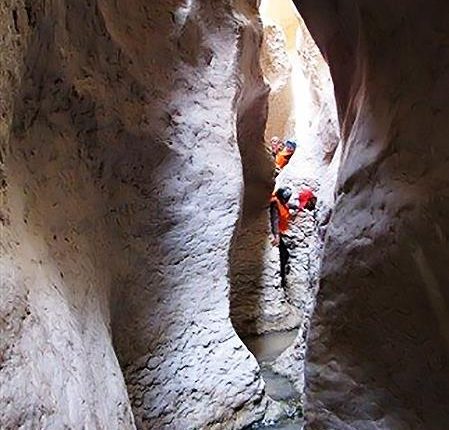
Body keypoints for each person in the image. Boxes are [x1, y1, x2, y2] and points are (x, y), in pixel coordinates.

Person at [270, 186, 316, 288]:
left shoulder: (280, 201)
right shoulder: (275, 204)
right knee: (284, 255)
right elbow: (275, 219)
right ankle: (281, 281)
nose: (287, 201)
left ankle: (282, 279)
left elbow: (287, 206)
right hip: (276, 234)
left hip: (279, 233)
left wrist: (297, 208)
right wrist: (276, 235)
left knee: (285, 255)